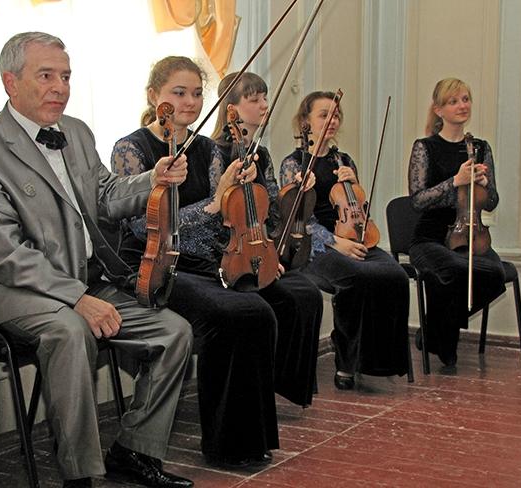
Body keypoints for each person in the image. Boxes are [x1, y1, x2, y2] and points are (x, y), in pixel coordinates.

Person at [0, 32, 194, 488]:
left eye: (65, 77)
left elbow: (104, 195)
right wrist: (78, 299)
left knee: (174, 332)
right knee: (70, 331)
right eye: (46, 76)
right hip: (14, 291)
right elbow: (5, 255)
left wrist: (153, 179)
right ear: (10, 82)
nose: (60, 87)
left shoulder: (76, 132)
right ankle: (79, 477)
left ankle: (135, 451)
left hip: (84, 280)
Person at [110, 57, 323, 468]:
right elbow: (142, 227)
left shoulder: (207, 149)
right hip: (152, 262)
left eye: (196, 93)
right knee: (241, 311)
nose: (190, 101)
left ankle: (250, 433)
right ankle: (229, 444)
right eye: (178, 92)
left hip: (200, 257)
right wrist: (214, 204)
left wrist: (238, 215)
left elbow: (217, 224)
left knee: (275, 300)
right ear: (154, 96)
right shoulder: (130, 148)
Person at [280, 91, 410, 390]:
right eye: (324, 114)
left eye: (336, 115)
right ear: (305, 120)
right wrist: (334, 242)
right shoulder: (294, 164)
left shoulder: (343, 159)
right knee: (357, 277)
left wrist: (353, 183)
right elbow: (296, 219)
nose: (332, 120)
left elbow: (356, 206)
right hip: (314, 245)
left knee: (395, 275)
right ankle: (347, 362)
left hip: (352, 234)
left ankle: (379, 360)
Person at [211, 71, 322, 406]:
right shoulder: (214, 151)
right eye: (254, 99)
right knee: (283, 300)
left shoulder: (263, 153)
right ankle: (259, 387)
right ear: (231, 107)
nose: (264, 105)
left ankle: (284, 383)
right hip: (226, 255)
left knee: (308, 295)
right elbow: (216, 216)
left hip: (257, 248)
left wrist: (294, 190)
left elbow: (271, 212)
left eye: (265, 97)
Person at [407, 77, 505, 367]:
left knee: (495, 274)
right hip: (430, 237)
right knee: (452, 269)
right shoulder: (425, 147)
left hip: (472, 235)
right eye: (453, 101)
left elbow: (492, 201)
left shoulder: (481, 148)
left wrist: (484, 185)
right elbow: (418, 200)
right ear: (439, 110)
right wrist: (455, 181)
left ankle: (433, 331)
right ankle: (443, 339)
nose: (462, 105)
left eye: (465, 99)